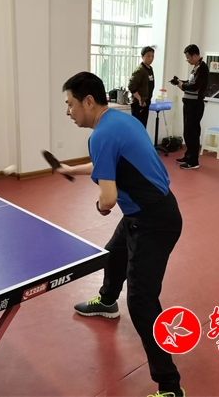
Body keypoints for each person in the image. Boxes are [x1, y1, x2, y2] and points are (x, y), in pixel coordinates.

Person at [57, 72, 185, 397]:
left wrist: (100, 206)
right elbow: (108, 163)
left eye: (70, 104)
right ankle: (106, 301)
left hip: (152, 222)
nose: (68, 112)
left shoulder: (100, 135)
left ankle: (170, 387)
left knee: (141, 302)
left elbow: (108, 199)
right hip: (152, 211)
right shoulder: (120, 120)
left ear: (88, 101)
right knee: (113, 255)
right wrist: (71, 170)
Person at [171, 44, 209, 170]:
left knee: (193, 133)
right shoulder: (196, 67)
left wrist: (181, 85)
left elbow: (195, 86)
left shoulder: (202, 68)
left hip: (195, 105)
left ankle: (193, 161)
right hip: (188, 103)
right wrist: (179, 82)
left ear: (195, 55)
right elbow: (190, 83)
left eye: (188, 57)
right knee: (187, 132)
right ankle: (188, 156)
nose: (187, 60)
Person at [128, 46, 155, 128]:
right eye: (148, 56)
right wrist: (140, 99)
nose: (151, 58)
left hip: (146, 102)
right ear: (143, 56)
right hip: (139, 104)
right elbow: (131, 85)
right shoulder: (140, 70)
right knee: (137, 128)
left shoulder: (150, 69)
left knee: (143, 127)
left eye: (152, 56)